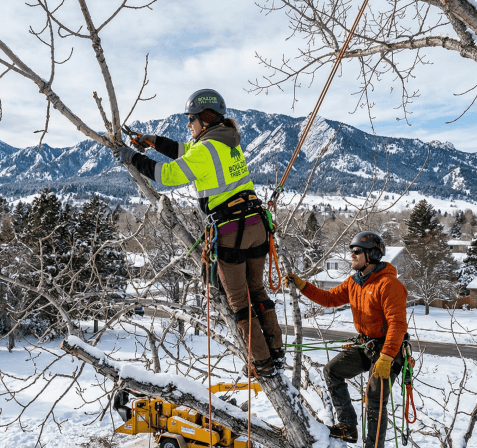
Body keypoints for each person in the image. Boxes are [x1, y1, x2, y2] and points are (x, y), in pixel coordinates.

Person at [115, 89, 284, 377]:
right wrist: (153, 142)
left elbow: (167, 175)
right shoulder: (228, 143)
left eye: (191, 120)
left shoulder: (206, 149)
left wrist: (131, 157)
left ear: (205, 119)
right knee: (257, 291)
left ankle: (263, 363)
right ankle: (275, 352)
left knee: (239, 302)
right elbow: (187, 152)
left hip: (233, 229)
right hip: (256, 225)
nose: (188, 126)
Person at [283, 231, 409, 448]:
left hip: (389, 348)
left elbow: (398, 324)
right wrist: (303, 285)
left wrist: (387, 357)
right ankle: (348, 427)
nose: (352, 255)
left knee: (375, 401)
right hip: (366, 345)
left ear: (372, 255)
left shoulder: (389, 284)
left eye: (357, 251)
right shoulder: (355, 282)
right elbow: (329, 299)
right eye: (351, 250)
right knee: (332, 370)